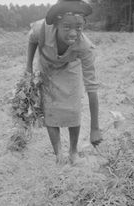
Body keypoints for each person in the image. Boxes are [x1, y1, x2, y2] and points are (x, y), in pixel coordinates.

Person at [25, 0, 102, 165]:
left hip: (70, 68)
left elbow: (92, 87)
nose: (74, 33)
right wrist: (29, 68)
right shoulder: (42, 28)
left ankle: (73, 152)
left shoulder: (85, 47)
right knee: (50, 110)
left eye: (79, 27)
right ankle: (58, 155)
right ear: (57, 25)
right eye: (67, 27)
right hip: (47, 68)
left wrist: (95, 128)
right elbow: (32, 40)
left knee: (73, 109)